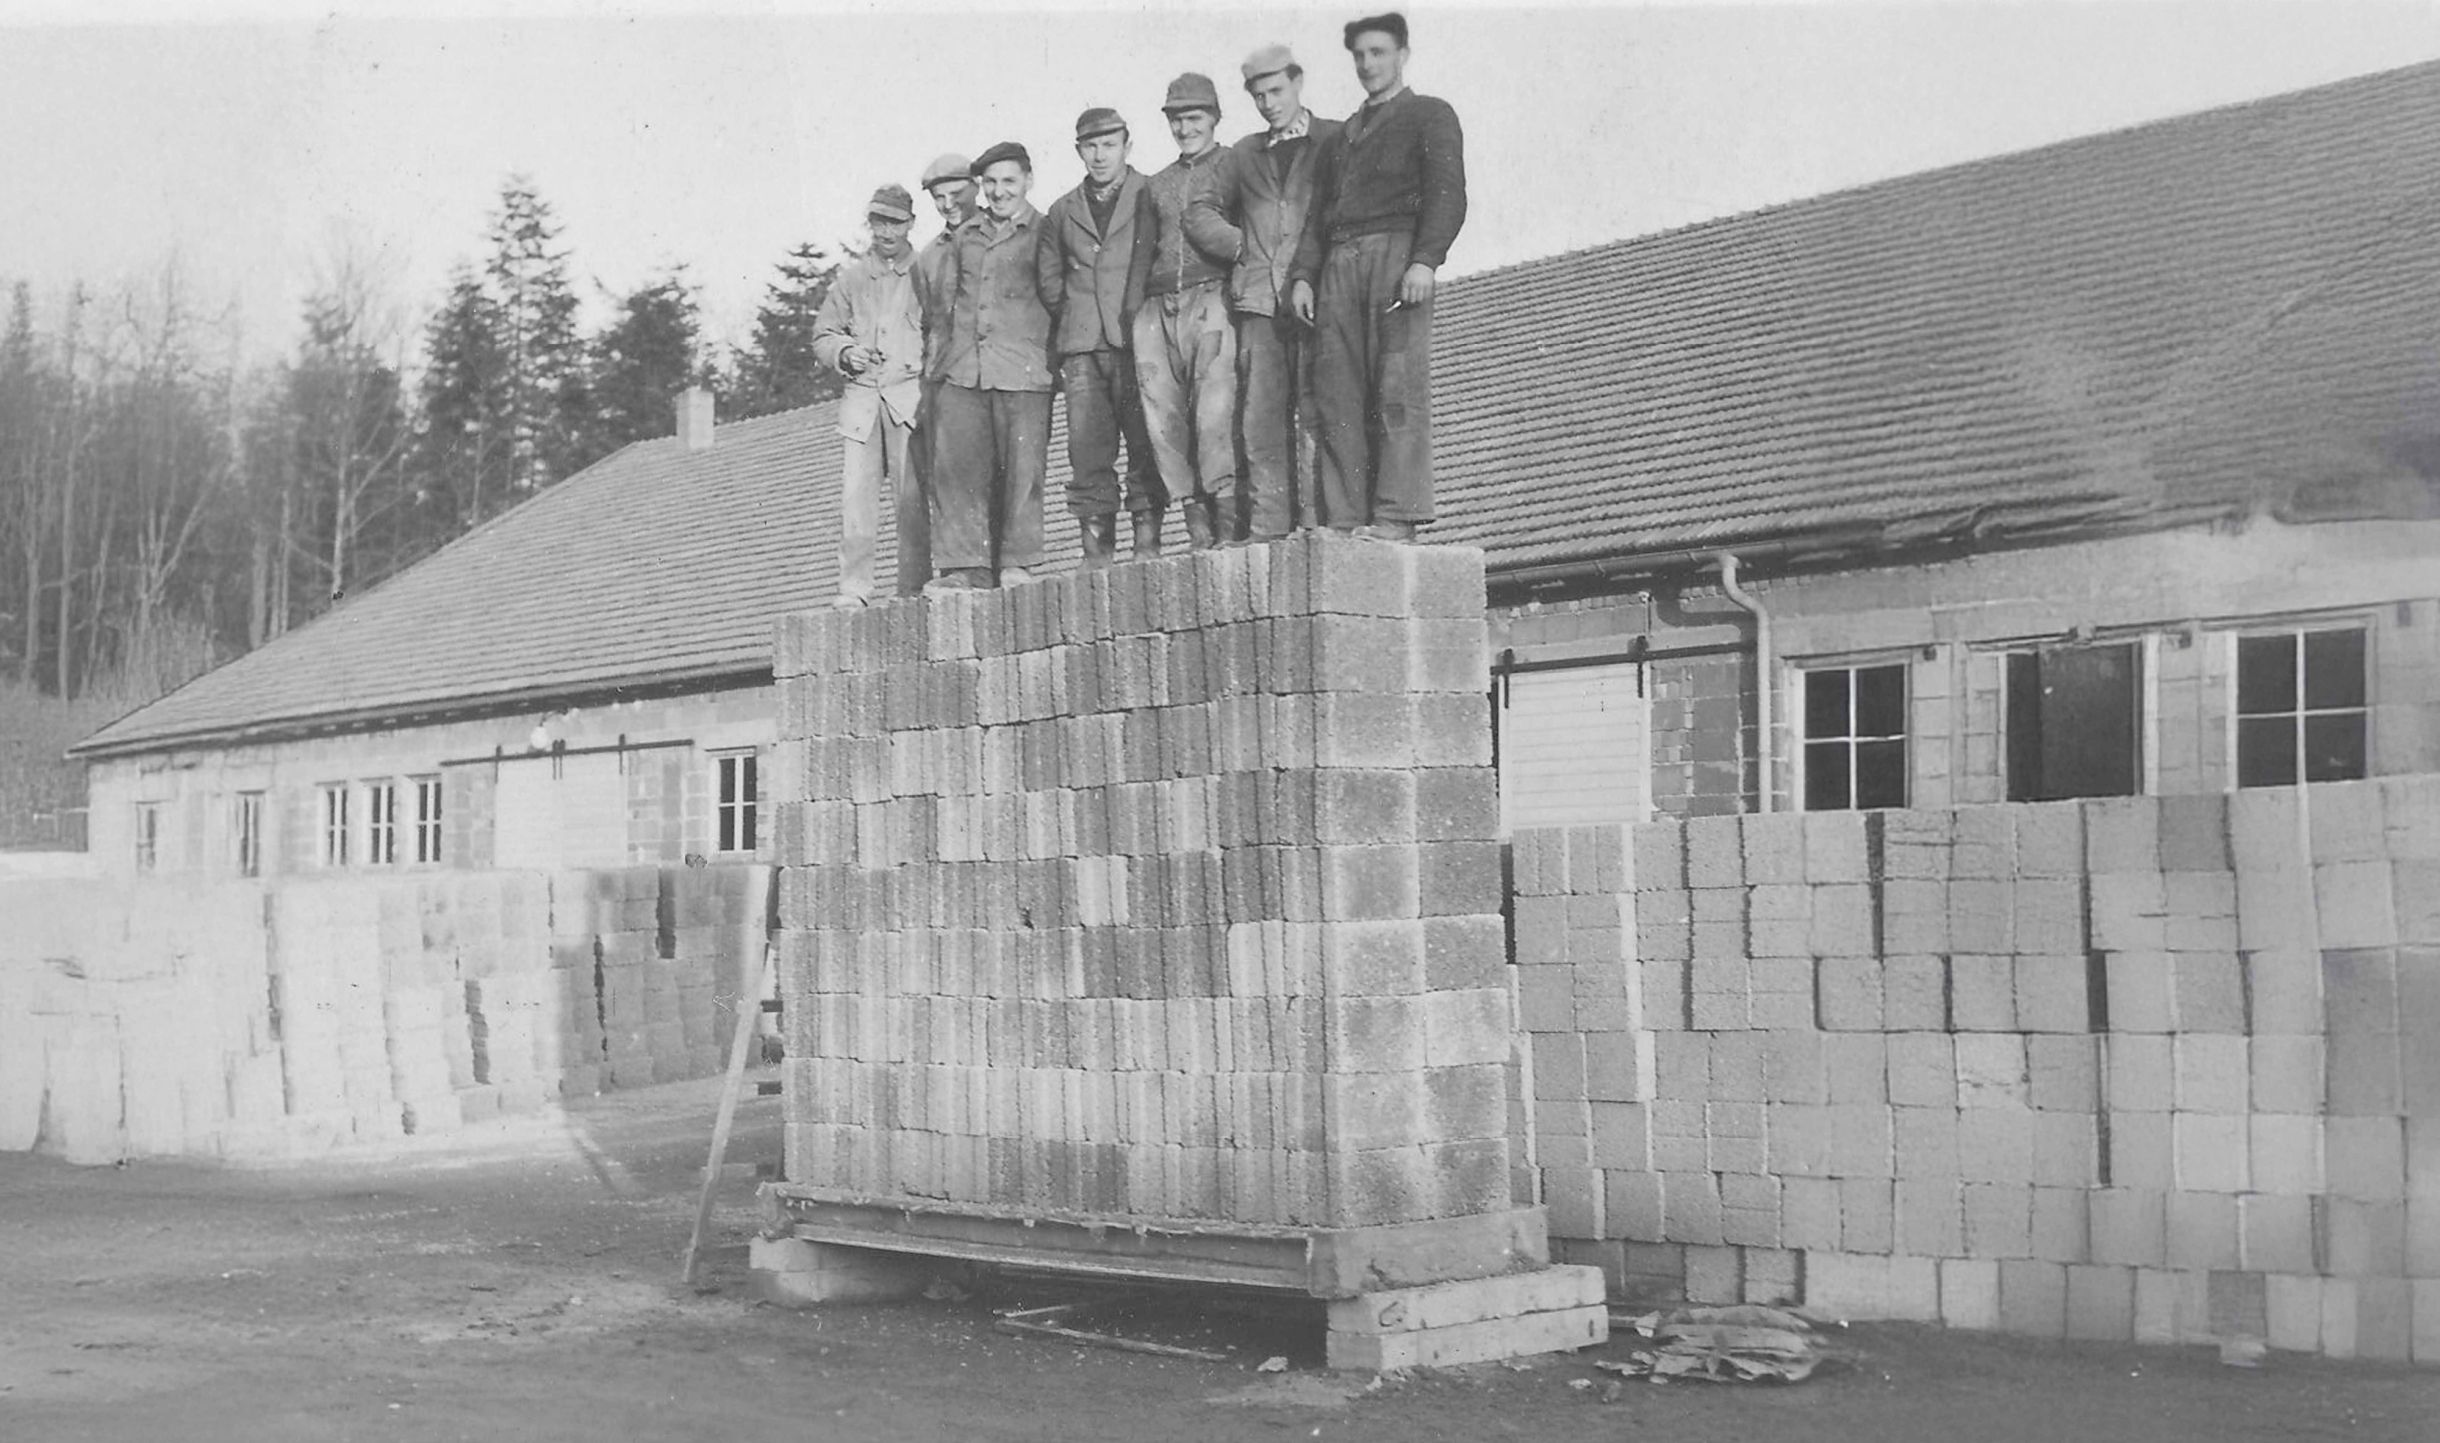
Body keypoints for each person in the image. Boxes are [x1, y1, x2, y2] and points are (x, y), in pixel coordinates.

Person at [1287, 12, 1466, 540]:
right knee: (1338, 390)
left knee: (1396, 386)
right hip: (1339, 263)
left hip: (1396, 257)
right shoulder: (1340, 138)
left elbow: (1447, 193)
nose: (1368, 65)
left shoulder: (1429, 115)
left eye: (1378, 53)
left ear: (1402, 54)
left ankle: (1396, 516)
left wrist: (1425, 260)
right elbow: (1319, 215)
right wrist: (1303, 276)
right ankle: (1345, 516)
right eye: (1360, 56)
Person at [1197, 44, 1342, 540]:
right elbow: (1200, 211)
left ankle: (1320, 522)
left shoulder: (1335, 139)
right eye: (1259, 96)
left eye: (1276, 91)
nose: (1269, 104)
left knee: (1320, 410)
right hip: (1259, 302)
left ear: (1298, 82)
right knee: (1260, 420)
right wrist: (1243, 247)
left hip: (1319, 296)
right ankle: (1268, 527)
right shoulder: (1243, 153)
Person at [1036, 107, 1163, 567]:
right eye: (1090, 146)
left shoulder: (1151, 192)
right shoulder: (1062, 211)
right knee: (1088, 450)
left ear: (1127, 146)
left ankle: (1148, 544)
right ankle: (1097, 552)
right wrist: (1077, 315)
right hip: (1083, 347)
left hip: (1137, 340)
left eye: (1109, 144)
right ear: (1078, 151)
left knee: (1145, 443)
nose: (1100, 155)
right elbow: (1050, 281)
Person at [928, 141, 1054, 590]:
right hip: (964, 369)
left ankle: (1017, 563)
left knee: (1023, 469)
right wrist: (941, 366)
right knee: (958, 466)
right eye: (991, 182)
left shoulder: (1045, 230)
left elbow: (1057, 296)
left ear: (1028, 181)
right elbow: (946, 304)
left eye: (1009, 181)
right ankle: (967, 566)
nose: (1000, 192)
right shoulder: (965, 236)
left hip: (1022, 366)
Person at [1129, 73, 1244, 550]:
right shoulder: (1156, 185)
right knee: (1164, 419)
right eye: (1176, 120)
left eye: (1193, 118)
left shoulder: (1236, 165)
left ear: (1214, 117)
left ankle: (1229, 523)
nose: (1184, 129)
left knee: (1215, 413)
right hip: (1159, 305)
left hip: (1214, 296)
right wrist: (1135, 314)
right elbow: (1141, 254)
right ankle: (1196, 527)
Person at [810, 183, 927, 604]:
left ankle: (914, 586)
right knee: (856, 501)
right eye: (878, 222)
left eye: (895, 222)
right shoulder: (852, 279)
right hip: (861, 404)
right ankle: (854, 588)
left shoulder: (926, 272)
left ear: (911, 224)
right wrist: (846, 352)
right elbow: (822, 334)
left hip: (909, 401)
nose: (886, 232)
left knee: (911, 499)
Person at [909, 153, 975, 589]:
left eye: (956, 194)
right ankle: (959, 567)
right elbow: (925, 320)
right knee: (948, 474)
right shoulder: (929, 256)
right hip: (942, 376)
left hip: (989, 372)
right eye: (939, 198)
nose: (948, 204)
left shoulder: (993, 237)